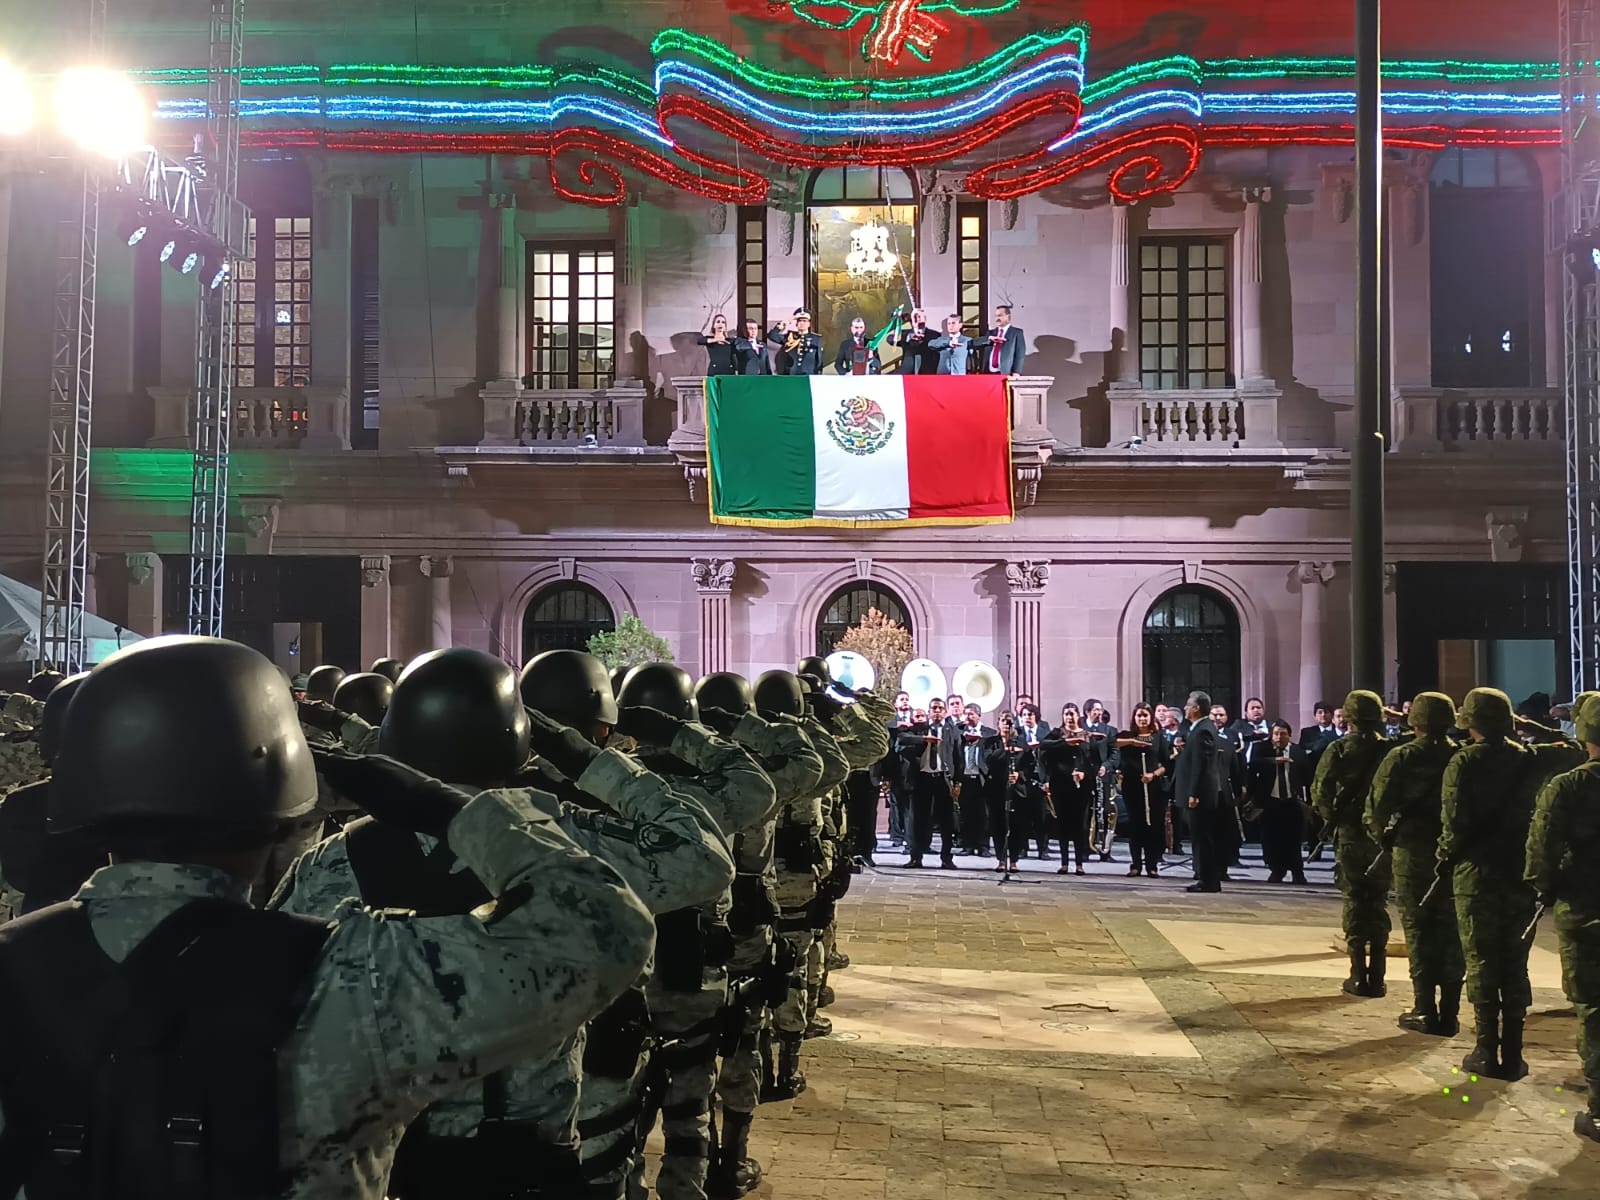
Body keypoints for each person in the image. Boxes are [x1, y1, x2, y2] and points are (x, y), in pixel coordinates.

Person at [0, 636, 655, 1200]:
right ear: (281, 802)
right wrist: (454, 811)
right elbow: (609, 930)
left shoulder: (12, 964)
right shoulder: (353, 975)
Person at [274, 647, 735, 1200]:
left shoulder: (327, 864)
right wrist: (589, 761)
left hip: (386, 1163)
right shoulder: (562, 843)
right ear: (516, 738)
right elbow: (703, 859)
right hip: (527, 1159)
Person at [616, 663, 778, 1200]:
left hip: (625, 973)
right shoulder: (713, 794)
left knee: (622, 1109)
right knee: (689, 1103)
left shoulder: (606, 787)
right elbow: (758, 806)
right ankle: (694, 1186)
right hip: (693, 971)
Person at [1440, 687, 1536, 1080]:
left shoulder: (1464, 761)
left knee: (1480, 958)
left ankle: (1485, 1048)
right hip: (1518, 873)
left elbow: (1454, 821)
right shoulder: (1529, 758)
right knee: (1515, 960)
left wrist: (1444, 856)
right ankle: (1513, 1053)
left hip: (1476, 872)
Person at [1526, 693, 1600, 1143]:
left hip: (1585, 910)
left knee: (1593, 1006)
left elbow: (1542, 849)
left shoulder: (1568, 786)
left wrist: (1543, 886)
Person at [1366, 692, 1462, 1036]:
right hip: (1454, 854)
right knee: (1451, 929)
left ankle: (1424, 1007)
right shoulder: (1461, 756)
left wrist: (1383, 837)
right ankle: (1450, 1010)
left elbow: (1376, 808)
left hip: (1412, 851)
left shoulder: (1403, 756)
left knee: (1418, 928)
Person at [1312, 690, 1395, 997]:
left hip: (1349, 834)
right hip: (1381, 836)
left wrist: (1333, 819)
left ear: (1348, 717)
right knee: (1378, 901)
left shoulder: (1339, 749)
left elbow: (1320, 792)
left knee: (1355, 900)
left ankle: (1359, 975)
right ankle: (1379, 976)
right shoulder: (1391, 749)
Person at [896, 698, 958, 868]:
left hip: (943, 779)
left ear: (945, 712)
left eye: (940, 708)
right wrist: (924, 739)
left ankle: (947, 858)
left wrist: (958, 782)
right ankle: (916, 857)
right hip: (922, 778)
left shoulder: (951, 730)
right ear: (929, 712)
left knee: (946, 821)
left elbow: (957, 756)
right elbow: (902, 738)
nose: (937, 711)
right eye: (934, 708)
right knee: (919, 820)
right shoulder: (920, 728)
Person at [1173, 690, 1224, 892]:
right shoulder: (1198, 729)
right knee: (1199, 837)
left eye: (1188, 705)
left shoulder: (1203, 730)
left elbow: (1201, 765)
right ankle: (1206, 877)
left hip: (1200, 794)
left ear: (1196, 708)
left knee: (1203, 838)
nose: (1185, 708)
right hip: (1198, 793)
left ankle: (1208, 880)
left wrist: (1194, 793)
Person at [1115, 703, 1170, 878]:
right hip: (1132, 785)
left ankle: (1152, 865)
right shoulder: (1127, 735)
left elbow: (1167, 764)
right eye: (1139, 715)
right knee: (1135, 825)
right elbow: (1112, 743)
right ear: (1134, 717)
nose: (1142, 718)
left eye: (1145, 715)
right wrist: (1133, 742)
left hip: (1153, 786)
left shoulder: (1158, 738)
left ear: (1151, 717)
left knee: (1152, 826)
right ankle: (1136, 865)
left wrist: (1153, 775)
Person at [1039, 705, 1095, 876]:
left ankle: (1079, 863)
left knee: (1079, 825)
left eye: (1072, 714)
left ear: (1078, 716)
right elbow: (1043, 745)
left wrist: (1085, 774)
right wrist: (1065, 742)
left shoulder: (1087, 735)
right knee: (1062, 824)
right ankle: (1064, 863)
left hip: (1081, 786)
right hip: (1060, 784)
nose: (1069, 717)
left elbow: (1093, 761)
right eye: (1066, 714)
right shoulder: (1057, 734)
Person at [985, 712, 1034, 870]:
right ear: (998, 723)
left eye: (1009, 721)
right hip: (996, 789)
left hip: (1016, 790)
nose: (1006, 724)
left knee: (1016, 825)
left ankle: (1013, 860)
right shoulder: (991, 742)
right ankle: (1001, 859)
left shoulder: (1021, 742)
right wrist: (1007, 749)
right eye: (1003, 721)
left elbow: (1030, 764)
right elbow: (989, 759)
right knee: (998, 825)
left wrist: (1019, 774)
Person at [952, 704, 994, 857]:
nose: (968, 717)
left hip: (981, 778)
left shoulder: (989, 733)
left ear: (978, 715)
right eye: (966, 714)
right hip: (965, 777)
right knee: (966, 813)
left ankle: (983, 846)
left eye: (971, 714)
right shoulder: (960, 732)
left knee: (983, 814)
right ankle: (967, 844)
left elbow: (992, 755)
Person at [975, 303, 1026, 375]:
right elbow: (975, 343)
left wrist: (1016, 371)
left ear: (1008, 316)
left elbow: (1020, 354)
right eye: (996, 316)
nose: (997, 318)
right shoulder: (990, 333)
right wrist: (989, 339)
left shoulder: (1016, 333)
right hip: (988, 372)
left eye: (1000, 315)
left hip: (1005, 372)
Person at [768, 310, 823, 376]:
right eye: (799, 321)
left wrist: (817, 375)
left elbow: (819, 360)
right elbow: (772, 335)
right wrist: (784, 323)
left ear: (809, 324)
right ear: (796, 323)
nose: (802, 323)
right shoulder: (790, 336)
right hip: (791, 374)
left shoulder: (816, 339)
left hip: (808, 374)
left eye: (804, 321)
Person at [892, 308, 940, 375]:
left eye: (919, 316)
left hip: (927, 372)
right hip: (907, 372)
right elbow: (889, 339)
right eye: (915, 317)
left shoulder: (935, 334)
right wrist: (909, 337)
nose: (917, 319)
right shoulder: (905, 334)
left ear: (925, 318)